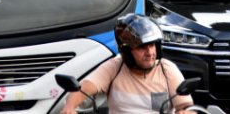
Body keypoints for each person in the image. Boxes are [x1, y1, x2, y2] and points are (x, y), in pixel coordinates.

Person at [61, 14, 193, 114]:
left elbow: (186, 106)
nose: (150, 52)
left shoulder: (167, 69)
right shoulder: (114, 67)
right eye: (142, 47)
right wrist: (69, 107)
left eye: (152, 45)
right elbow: (84, 88)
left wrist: (186, 112)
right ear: (127, 51)